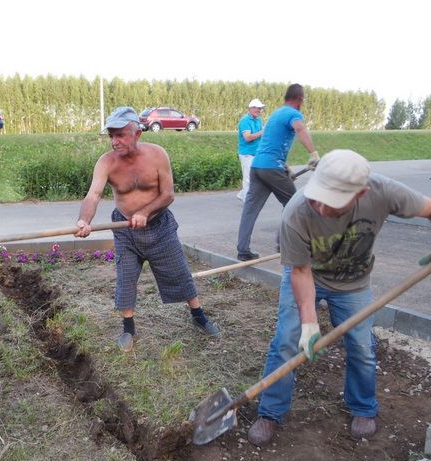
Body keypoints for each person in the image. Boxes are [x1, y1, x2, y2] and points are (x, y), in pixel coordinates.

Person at [247, 149, 431, 446]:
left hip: (353, 283)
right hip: (308, 275)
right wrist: (310, 324)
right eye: (318, 197)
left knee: (362, 346)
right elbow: (299, 272)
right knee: (287, 339)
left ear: (361, 193)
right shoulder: (297, 211)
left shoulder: (382, 191)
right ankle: (270, 412)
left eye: (332, 202)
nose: (320, 208)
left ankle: (363, 408)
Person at [74, 106, 220, 352]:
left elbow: (168, 195)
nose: (114, 141)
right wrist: (84, 221)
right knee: (126, 278)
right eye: (111, 135)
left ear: (137, 134)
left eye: (120, 135)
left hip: (160, 226)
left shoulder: (157, 155)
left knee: (179, 272)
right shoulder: (106, 162)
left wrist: (145, 212)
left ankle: (198, 316)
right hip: (126, 231)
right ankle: (128, 328)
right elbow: (93, 195)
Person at [236, 83, 319, 261]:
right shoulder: (293, 114)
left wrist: (285, 166)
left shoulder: (276, 114)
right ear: (299, 99)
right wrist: (313, 153)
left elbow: (271, 143)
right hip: (271, 167)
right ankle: (284, 245)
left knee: (250, 209)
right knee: (294, 205)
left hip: (258, 166)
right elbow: (300, 129)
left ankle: (243, 250)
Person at [236, 98, 265, 202]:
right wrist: (263, 132)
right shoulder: (245, 121)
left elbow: (261, 135)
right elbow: (247, 137)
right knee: (248, 177)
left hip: (256, 152)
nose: (260, 111)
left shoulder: (258, 120)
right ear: (251, 108)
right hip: (246, 153)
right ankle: (247, 199)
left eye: (261, 109)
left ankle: (243, 194)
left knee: (256, 176)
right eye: (258, 108)